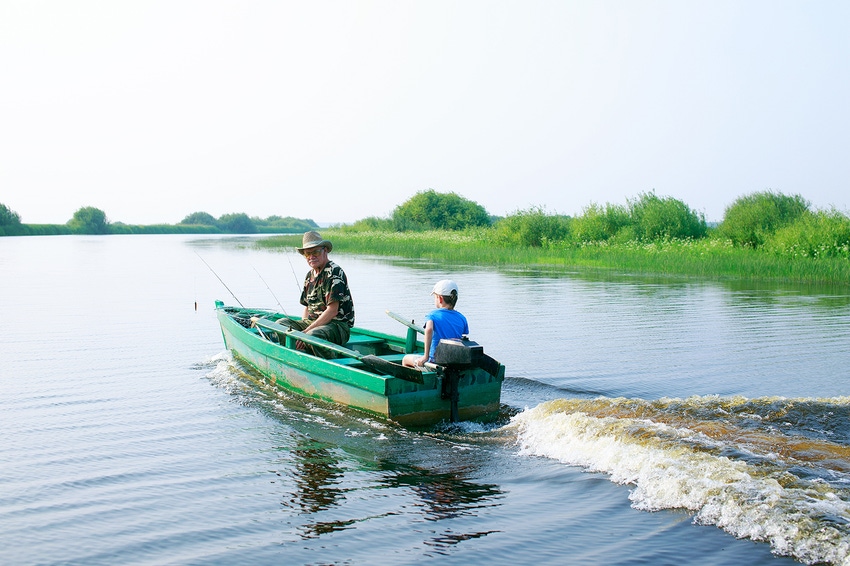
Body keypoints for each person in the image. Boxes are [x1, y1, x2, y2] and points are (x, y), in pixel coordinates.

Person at [286, 231, 355, 354]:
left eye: (316, 252)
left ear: (325, 251)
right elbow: (307, 307)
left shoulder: (334, 272)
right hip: (313, 322)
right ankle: (301, 352)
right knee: (281, 325)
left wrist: (306, 333)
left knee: (313, 335)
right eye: (307, 254)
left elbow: (332, 311)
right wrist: (303, 329)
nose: (311, 257)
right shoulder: (309, 275)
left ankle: (332, 362)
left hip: (337, 326)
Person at [402, 279, 469, 369]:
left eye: (435, 297)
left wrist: (425, 357)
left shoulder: (432, 315)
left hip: (434, 361)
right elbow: (463, 338)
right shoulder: (462, 318)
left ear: (440, 299)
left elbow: (429, 329)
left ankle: (414, 381)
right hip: (453, 361)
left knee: (406, 359)